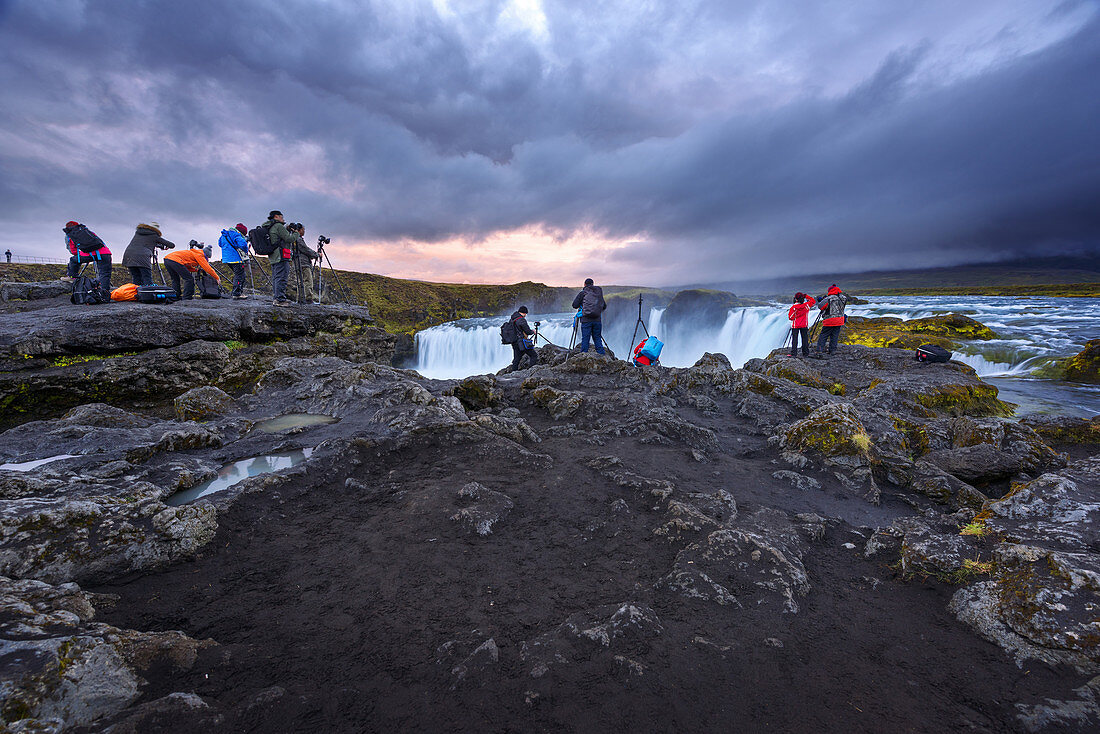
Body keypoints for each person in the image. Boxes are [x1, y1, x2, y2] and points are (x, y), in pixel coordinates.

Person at [62, 221, 113, 294]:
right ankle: (105, 293)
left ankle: (72, 277)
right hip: (105, 252)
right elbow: (99, 241)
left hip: (89, 254)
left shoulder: (70, 235)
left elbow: (73, 251)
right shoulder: (86, 230)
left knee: (73, 260)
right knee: (104, 273)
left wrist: (82, 253)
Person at [264, 210, 295, 306]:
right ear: (276, 216)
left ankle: (276, 298)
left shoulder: (269, 226)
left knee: (276, 278)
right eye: (281, 216)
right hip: (281, 256)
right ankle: (280, 299)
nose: (283, 218)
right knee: (281, 278)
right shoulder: (278, 226)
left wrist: (288, 229)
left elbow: (279, 237)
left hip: (273, 256)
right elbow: (289, 239)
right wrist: (296, 233)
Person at [571, 278, 607, 354]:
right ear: (593, 284)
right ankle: (602, 356)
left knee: (585, 339)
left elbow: (574, 305)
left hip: (586, 320)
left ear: (584, 284)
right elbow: (604, 306)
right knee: (597, 339)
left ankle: (583, 357)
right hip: (597, 320)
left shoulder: (583, 293)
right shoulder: (598, 294)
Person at [815, 284, 851, 355]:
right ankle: (832, 350)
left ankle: (819, 351)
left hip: (829, 320)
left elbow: (821, 306)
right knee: (834, 336)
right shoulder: (843, 298)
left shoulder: (829, 299)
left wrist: (822, 300)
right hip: (840, 319)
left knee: (823, 335)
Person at [218, 223, 250, 299]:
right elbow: (243, 244)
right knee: (240, 275)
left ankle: (236, 292)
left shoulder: (224, 235)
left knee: (238, 274)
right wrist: (245, 250)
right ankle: (237, 293)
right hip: (236, 258)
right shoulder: (236, 234)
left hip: (227, 259)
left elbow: (220, 244)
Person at [288, 223, 318, 303]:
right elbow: (305, 249)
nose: (304, 231)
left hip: (297, 263)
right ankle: (308, 299)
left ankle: (301, 299)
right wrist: (316, 254)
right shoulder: (298, 238)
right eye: (303, 230)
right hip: (303, 263)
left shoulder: (293, 238)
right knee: (307, 281)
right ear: (299, 230)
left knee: (300, 281)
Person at [507, 306, 539, 370]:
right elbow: (527, 331)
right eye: (526, 314)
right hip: (521, 342)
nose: (526, 315)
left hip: (514, 341)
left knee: (517, 359)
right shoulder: (521, 320)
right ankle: (531, 371)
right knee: (533, 355)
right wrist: (533, 331)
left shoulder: (512, 319)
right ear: (524, 313)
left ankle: (514, 373)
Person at [787, 292, 817, 358]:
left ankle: (794, 353)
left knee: (795, 339)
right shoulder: (806, 306)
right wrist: (806, 296)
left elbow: (790, 317)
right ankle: (805, 353)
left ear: (796, 299)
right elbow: (813, 301)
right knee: (805, 339)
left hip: (795, 326)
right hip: (804, 325)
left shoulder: (793, 308)